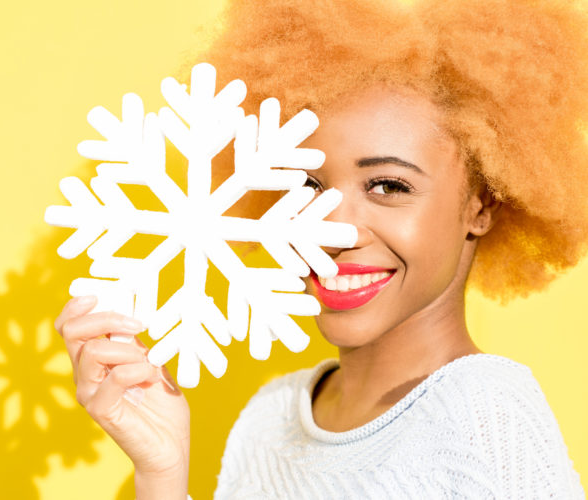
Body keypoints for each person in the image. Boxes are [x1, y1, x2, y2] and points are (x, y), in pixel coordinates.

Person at [53, 0, 588, 497]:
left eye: (388, 186)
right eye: (305, 187)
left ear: (482, 206)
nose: (329, 228)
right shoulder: (271, 416)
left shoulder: (485, 413)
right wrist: (163, 471)